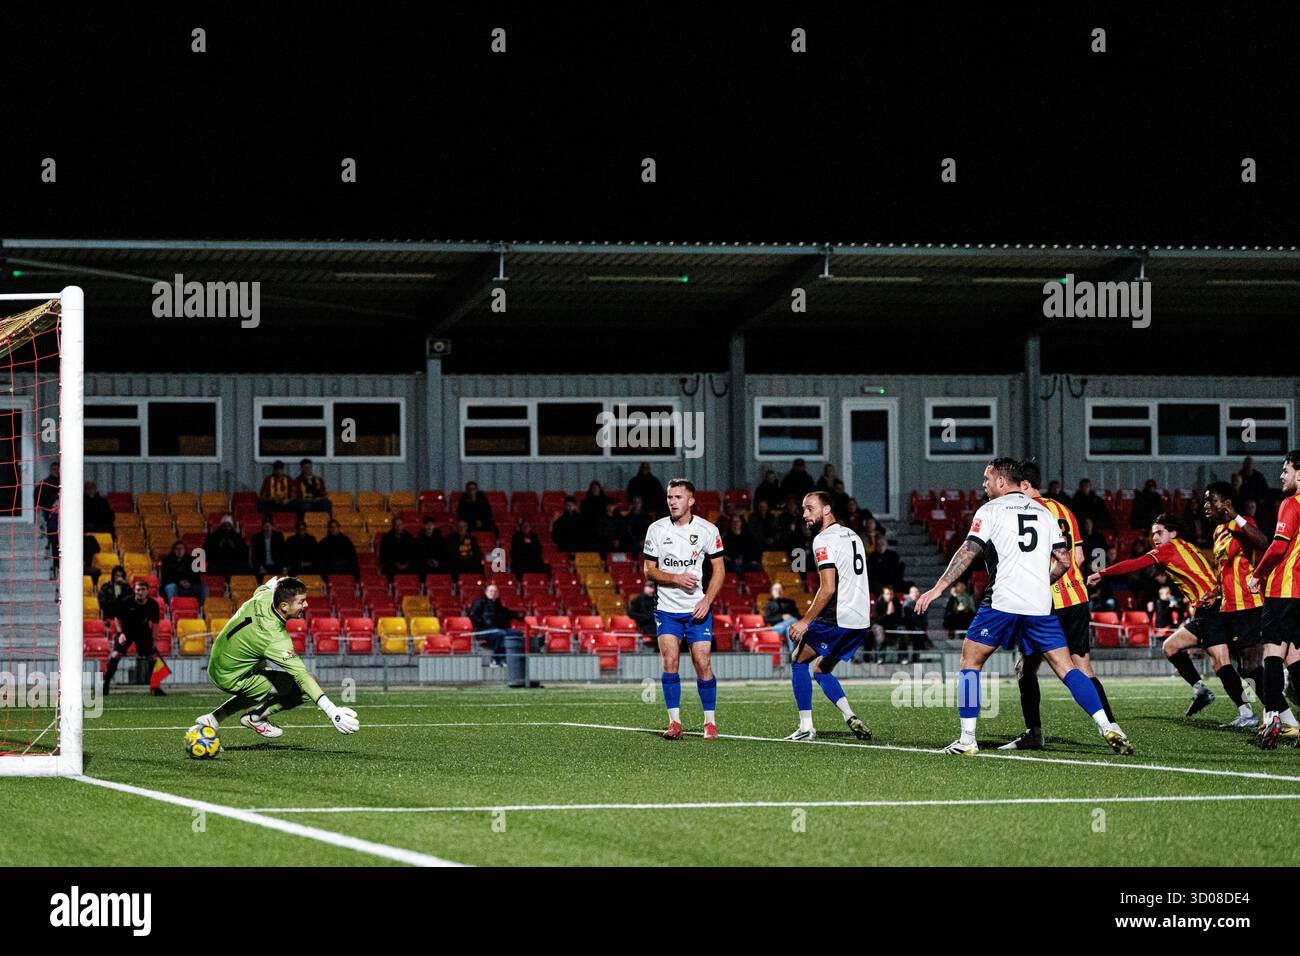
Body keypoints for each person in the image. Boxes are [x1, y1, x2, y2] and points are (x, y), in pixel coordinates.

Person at [915, 457, 1131, 756]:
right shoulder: (1044, 514)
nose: (984, 484)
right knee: (1068, 669)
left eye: (987, 479)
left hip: (1003, 600)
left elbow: (968, 551)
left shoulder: (990, 510)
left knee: (970, 662)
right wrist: (1042, 582)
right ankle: (1107, 726)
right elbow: (1066, 562)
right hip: (1040, 603)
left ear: (1002, 482)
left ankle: (967, 739)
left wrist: (939, 587)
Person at [1088, 512, 1255, 726]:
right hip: (1208, 608)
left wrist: (1102, 573)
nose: (1155, 538)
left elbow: (1136, 563)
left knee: (1221, 662)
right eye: (1153, 534)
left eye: (1160, 532)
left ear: (1173, 533)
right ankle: (1201, 690)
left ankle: (1248, 713)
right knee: (1171, 647)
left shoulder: (1169, 548)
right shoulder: (1188, 546)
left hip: (1211, 608)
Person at [1002, 459, 1121, 751]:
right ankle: (1111, 726)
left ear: (1025, 485)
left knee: (1025, 669)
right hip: (1078, 599)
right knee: (1084, 668)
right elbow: (1078, 560)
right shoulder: (1065, 510)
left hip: (1045, 602)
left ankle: (1034, 732)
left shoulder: (1024, 512)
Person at [194, 577, 359, 740]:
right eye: (301, 602)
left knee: (263, 687)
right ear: (284, 606)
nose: (306, 605)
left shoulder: (264, 597)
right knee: (306, 684)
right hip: (231, 677)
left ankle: (214, 719)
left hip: (218, 663)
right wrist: (333, 712)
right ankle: (255, 718)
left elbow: (262, 589)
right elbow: (302, 677)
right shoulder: (274, 638)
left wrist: (269, 585)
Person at [783, 491, 872, 741]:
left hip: (838, 618)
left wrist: (804, 621)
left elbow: (828, 587)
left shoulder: (823, 539)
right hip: (860, 620)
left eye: (810, 509)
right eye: (803, 509)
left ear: (827, 510)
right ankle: (849, 716)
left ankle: (806, 727)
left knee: (798, 660)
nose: (804, 515)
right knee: (821, 670)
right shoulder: (853, 535)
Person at [642, 478, 725, 740]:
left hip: (696, 609)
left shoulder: (708, 530)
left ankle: (709, 722)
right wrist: (675, 578)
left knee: (702, 663)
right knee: (670, 662)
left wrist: (707, 601)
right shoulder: (656, 529)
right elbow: (649, 571)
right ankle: (674, 722)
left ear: (691, 500)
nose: (672, 502)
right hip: (666, 609)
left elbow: (719, 571)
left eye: (678, 497)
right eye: (669, 497)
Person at [1245, 451, 1300, 748]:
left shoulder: (1291, 503)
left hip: (1285, 590)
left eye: (1286, 470)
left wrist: (1257, 574)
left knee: (1272, 654)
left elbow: (1278, 547)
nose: (1281, 476)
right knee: (1295, 657)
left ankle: (1273, 717)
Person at [103, 578, 164, 696]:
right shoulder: (126, 601)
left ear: (147, 591)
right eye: (137, 590)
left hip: (143, 631)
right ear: (134, 590)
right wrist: (120, 634)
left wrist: (154, 640)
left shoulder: (153, 604)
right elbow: (117, 618)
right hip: (127, 631)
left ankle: (155, 688)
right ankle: (105, 685)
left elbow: (155, 623)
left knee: (153, 657)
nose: (139, 592)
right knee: (115, 655)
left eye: (142, 590)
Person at [468, 583, 524, 666]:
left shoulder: (499, 605)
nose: (493, 593)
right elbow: (473, 615)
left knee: (518, 633)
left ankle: (506, 658)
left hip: (497, 630)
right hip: (482, 630)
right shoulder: (479, 602)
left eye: (495, 591)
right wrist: (483, 623)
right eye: (491, 591)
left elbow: (507, 613)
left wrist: (519, 616)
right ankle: (495, 658)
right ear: (486, 592)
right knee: (501, 634)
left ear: (498, 594)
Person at [160, 539, 207, 607]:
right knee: (171, 587)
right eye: (177, 549)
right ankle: (173, 608)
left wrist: (189, 582)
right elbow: (165, 579)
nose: (179, 551)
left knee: (204, 588)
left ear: (185, 550)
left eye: (181, 548)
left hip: (189, 586)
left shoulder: (191, 560)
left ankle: (200, 609)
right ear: (173, 550)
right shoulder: (167, 561)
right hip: (175, 586)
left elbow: (196, 578)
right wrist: (179, 582)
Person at [871, 585, 905, 661]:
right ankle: (880, 657)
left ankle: (902, 657)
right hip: (879, 624)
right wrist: (887, 614)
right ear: (883, 595)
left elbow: (899, 618)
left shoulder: (896, 602)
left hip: (893, 625)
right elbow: (876, 620)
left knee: (902, 630)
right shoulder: (878, 603)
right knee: (879, 632)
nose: (889, 596)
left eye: (891, 594)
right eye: (887, 594)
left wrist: (893, 614)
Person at [627, 580, 659, 647]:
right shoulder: (638, 599)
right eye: (650, 587)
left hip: (655, 623)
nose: (652, 590)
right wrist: (645, 617)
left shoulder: (656, 599)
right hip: (644, 624)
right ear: (645, 588)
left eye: (653, 588)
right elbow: (631, 613)